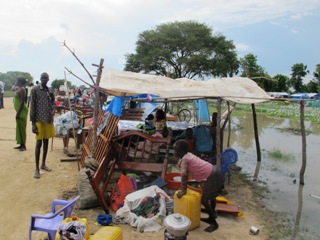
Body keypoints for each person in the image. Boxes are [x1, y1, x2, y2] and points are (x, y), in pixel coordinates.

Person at [173, 139, 224, 233]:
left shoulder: (185, 159)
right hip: (214, 170)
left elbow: (184, 175)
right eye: (174, 150)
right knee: (212, 195)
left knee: (204, 199)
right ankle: (212, 214)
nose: (174, 152)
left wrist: (183, 191)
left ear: (183, 152)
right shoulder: (188, 155)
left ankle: (214, 223)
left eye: (176, 151)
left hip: (211, 175)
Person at [30, 72, 55, 179]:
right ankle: (36, 169)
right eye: (42, 78)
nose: (44, 80)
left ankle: (43, 164)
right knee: (38, 143)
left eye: (46, 78)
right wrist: (33, 124)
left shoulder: (49, 91)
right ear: (40, 79)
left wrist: (53, 100)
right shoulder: (35, 90)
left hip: (48, 120)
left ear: (48, 79)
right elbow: (32, 106)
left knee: (46, 142)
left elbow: (52, 104)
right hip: (39, 120)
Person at [13, 77, 28, 151]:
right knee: (19, 127)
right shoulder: (19, 89)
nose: (16, 82)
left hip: (22, 111)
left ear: (20, 82)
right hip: (19, 111)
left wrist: (18, 113)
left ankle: (24, 145)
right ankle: (21, 144)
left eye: (17, 81)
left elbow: (22, 102)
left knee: (22, 128)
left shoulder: (22, 89)